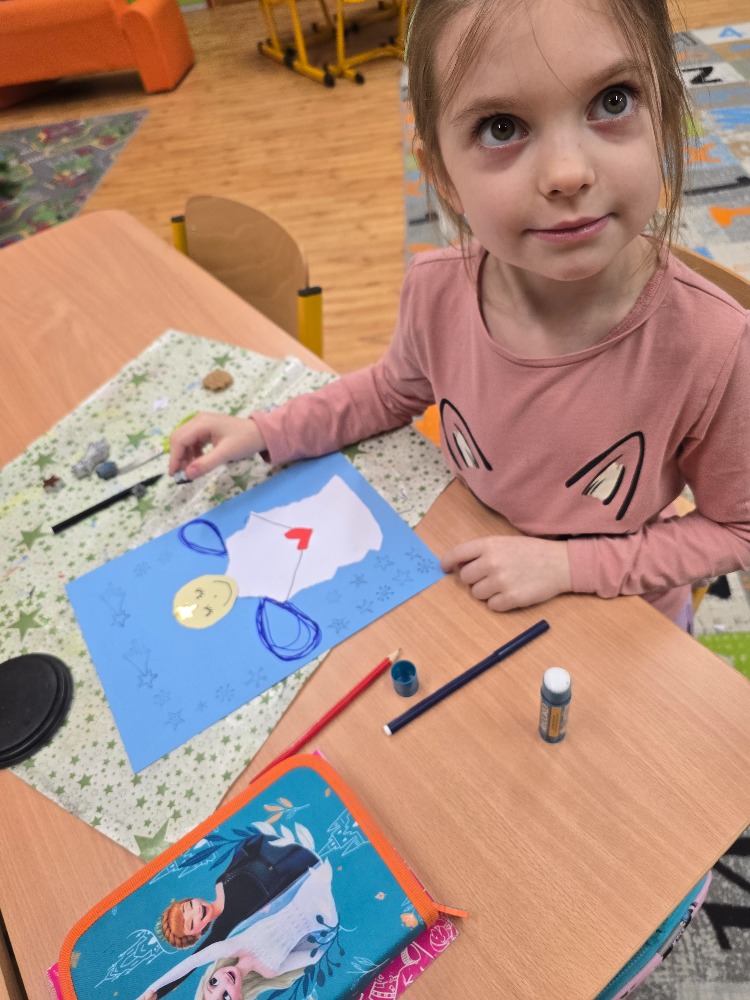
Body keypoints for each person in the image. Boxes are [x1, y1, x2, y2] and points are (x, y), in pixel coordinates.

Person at [169, 0, 750, 632]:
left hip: (625, 619)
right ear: (442, 175)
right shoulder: (435, 290)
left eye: (613, 101)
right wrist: (265, 431)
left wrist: (568, 567)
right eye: (501, 127)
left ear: (664, 114)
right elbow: (390, 392)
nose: (567, 174)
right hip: (479, 582)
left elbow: (736, 529)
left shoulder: (715, 344)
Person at [136, 859, 339, 1000]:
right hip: (326, 918)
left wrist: (153, 989)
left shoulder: (233, 947)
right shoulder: (270, 972)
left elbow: (190, 963)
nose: (224, 981)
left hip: (306, 891)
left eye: (213, 983)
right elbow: (314, 955)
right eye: (225, 996)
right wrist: (330, 929)